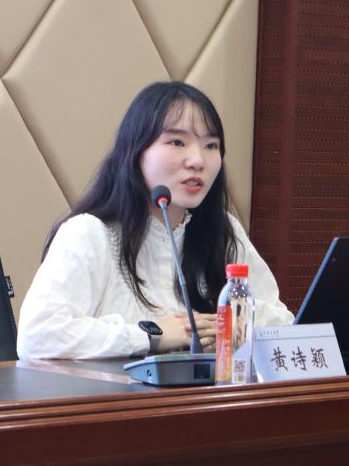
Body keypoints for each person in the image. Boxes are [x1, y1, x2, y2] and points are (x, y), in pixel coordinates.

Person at [17, 81, 293, 359]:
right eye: (177, 142)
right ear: (136, 151)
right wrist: (152, 335)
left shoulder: (223, 230)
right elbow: (37, 336)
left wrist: (236, 330)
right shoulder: (89, 233)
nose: (198, 161)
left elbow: (283, 323)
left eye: (211, 145)